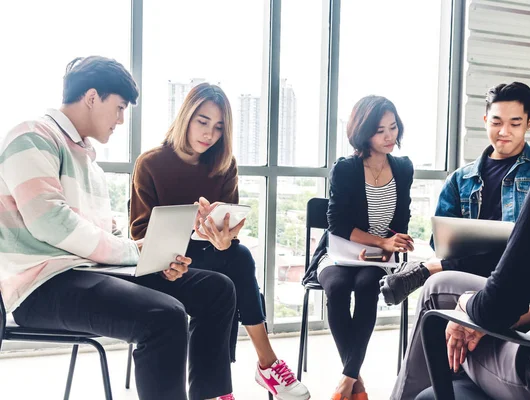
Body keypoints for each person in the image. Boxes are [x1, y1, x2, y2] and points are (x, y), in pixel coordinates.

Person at [394, 2, 530, 398]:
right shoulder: (463, 179)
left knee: (442, 295)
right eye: (496, 121)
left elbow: (502, 304)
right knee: (449, 286)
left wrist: (468, 309)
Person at [0, 56, 236, 400]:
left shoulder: (88, 162)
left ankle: (210, 396)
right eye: (120, 107)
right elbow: (50, 222)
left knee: (217, 289)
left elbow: (105, 238)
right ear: (92, 97)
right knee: (164, 316)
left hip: (90, 273)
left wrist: (155, 262)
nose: (121, 120)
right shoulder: (32, 136)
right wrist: (133, 251)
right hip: (40, 286)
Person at [129, 82, 310, 400]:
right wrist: (183, 230)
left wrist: (223, 239)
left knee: (237, 257)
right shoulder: (150, 164)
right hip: (160, 264)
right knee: (227, 281)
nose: (209, 134)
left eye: (218, 127)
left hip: (205, 254)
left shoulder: (224, 165)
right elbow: (139, 233)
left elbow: (231, 231)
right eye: (202, 121)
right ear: (186, 116)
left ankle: (242, 376)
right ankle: (262, 367)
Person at [380, 82, 530, 306]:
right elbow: (440, 245)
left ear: (529, 123)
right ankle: (429, 272)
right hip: (473, 272)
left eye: (515, 123)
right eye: (496, 122)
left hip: (525, 273)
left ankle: (425, 271)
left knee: (520, 250)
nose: (504, 131)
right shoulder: (460, 179)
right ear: (486, 121)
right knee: (435, 286)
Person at [306, 95, 414, 400]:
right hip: (340, 251)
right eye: (380, 130)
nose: (390, 136)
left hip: (378, 258)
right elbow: (336, 223)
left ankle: (346, 381)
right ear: (363, 132)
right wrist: (378, 241)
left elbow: (402, 219)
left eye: (393, 127)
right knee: (337, 289)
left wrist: (392, 245)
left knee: (368, 285)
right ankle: (356, 379)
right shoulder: (346, 169)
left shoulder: (403, 168)